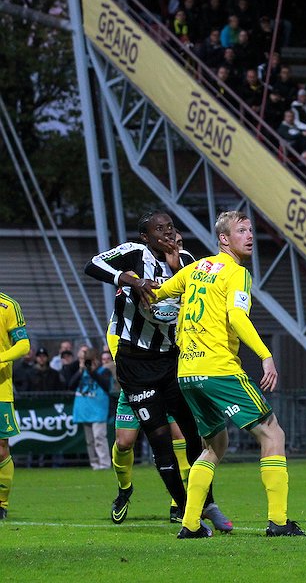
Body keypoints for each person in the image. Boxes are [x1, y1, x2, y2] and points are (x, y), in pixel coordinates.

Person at [153, 211, 304, 538]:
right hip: (219, 368)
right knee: (272, 434)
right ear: (224, 239)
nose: (249, 236)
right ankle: (279, 522)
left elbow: (157, 293)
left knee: (214, 445)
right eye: (241, 230)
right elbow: (236, 316)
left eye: (250, 230)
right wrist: (265, 356)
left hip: (188, 372)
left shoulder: (194, 269)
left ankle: (191, 524)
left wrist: (131, 283)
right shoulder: (236, 273)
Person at [84, 212, 231, 531]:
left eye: (171, 228)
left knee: (192, 434)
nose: (167, 233)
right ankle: (146, 497)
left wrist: (177, 271)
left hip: (172, 361)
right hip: (135, 364)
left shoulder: (188, 260)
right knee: (145, 441)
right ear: (145, 237)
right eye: (159, 229)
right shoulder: (133, 254)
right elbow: (92, 265)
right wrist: (133, 281)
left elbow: (200, 299)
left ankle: (204, 505)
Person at [0, 291, 30, 519]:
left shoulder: (8, 305)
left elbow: (24, 345)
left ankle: (2, 503)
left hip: (1, 389)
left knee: (1, 448)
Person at [68, 347, 113, 470]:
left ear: (96, 360)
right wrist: (81, 370)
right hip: (85, 410)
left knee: (99, 437)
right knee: (90, 440)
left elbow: (106, 385)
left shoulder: (104, 371)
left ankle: (104, 463)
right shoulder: (82, 372)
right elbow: (70, 385)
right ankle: (95, 464)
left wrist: (92, 371)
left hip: (98, 409)